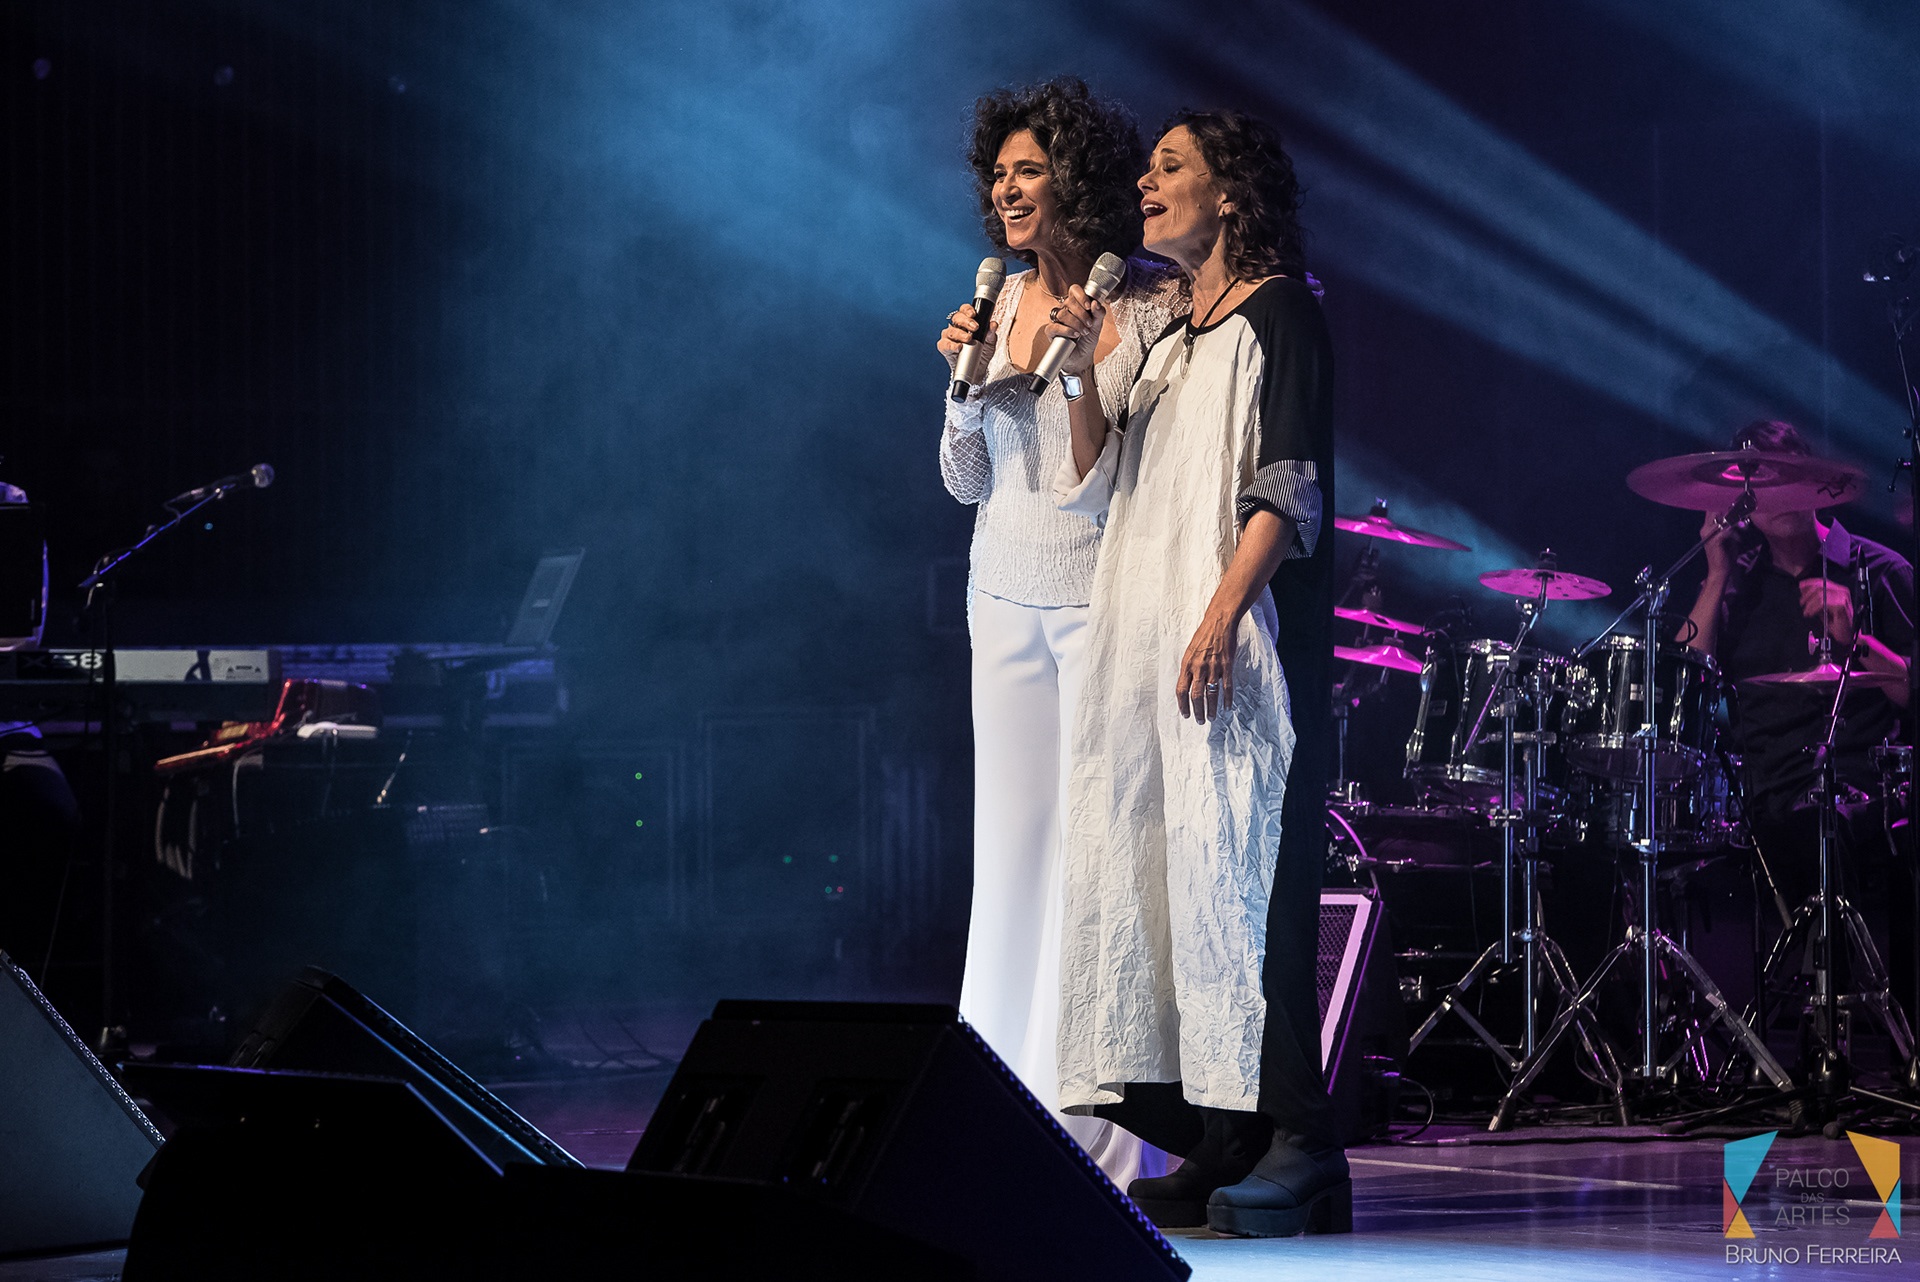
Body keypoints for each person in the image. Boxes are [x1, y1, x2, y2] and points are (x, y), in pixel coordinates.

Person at [1049, 109, 1344, 1237]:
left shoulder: (1282, 313)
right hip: (1153, 654)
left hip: (1239, 651)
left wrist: (1221, 612)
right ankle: (1225, 1135)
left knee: (1251, 889)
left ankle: (1304, 1144)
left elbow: (1289, 484)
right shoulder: (1173, 331)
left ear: (1229, 193)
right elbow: (1094, 469)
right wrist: (1081, 367)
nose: (1145, 180)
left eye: (1170, 165)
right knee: (1178, 889)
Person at [934, 77, 1186, 1186]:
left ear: (1073, 179)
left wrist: (1078, 369)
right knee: (1009, 858)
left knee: (1093, 861)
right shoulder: (992, 302)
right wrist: (959, 385)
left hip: (1095, 603)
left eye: (1027, 171)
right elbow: (964, 481)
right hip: (999, 599)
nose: (1006, 191)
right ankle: (991, 1111)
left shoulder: (1145, 303)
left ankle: (1093, 1126)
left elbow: (1093, 490)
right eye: (997, 175)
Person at [1680, 420, 1916, 1023]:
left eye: (1785, 478)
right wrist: (1715, 571)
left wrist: (1856, 642)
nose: (1776, 497)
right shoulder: (1735, 586)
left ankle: (1845, 1025)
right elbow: (1685, 687)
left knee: (1827, 828)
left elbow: (1912, 691)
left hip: (1867, 790)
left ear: (1813, 483)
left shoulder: (1879, 569)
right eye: (1758, 487)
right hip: (1767, 796)